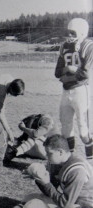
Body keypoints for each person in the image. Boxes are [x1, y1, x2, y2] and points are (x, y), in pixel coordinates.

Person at [55, 18, 93, 161]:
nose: (69, 36)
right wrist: (69, 68)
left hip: (81, 91)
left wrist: (68, 76)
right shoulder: (64, 46)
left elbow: (84, 75)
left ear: (82, 33)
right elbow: (57, 72)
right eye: (68, 33)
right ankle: (70, 160)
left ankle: (91, 162)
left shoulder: (88, 46)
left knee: (84, 131)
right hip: (66, 92)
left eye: (73, 33)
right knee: (66, 129)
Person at [22, 134, 93, 208]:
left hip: (85, 205)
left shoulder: (77, 170)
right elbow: (51, 192)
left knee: (32, 205)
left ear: (60, 152)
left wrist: (46, 184)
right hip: (73, 202)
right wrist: (39, 179)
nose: (46, 156)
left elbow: (65, 204)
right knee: (29, 198)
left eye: (49, 153)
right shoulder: (58, 162)